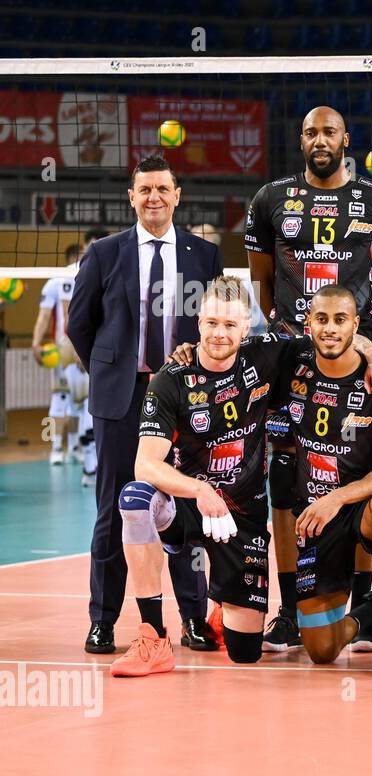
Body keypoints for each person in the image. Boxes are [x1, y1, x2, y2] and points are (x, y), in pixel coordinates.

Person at [113, 278, 372, 675]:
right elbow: (146, 465)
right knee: (135, 499)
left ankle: (225, 606)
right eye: (211, 323)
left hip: (242, 518)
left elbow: (333, 340)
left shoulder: (266, 356)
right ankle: (153, 637)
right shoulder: (170, 379)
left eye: (229, 325)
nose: (219, 334)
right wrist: (200, 490)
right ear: (198, 323)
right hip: (188, 506)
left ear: (246, 329)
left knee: (244, 653)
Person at [244, 105, 372, 654]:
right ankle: (290, 612)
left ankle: (362, 598)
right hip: (292, 357)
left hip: (351, 353)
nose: (319, 139)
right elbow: (262, 282)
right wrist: (290, 334)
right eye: (310, 130)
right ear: (301, 137)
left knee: (357, 468)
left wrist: (361, 338)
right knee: (285, 487)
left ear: (346, 138)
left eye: (329, 131)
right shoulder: (270, 199)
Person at [66, 155, 221, 655]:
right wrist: (111, 371)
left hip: (182, 395)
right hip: (122, 396)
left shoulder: (204, 255)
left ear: (177, 196)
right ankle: (102, 621)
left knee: (185, 506)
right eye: (144, 190)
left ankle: (194, 620)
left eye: (162, 189)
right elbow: (79, 324)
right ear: (131, 198)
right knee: (114, 509)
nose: (154, 197)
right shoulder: (105, 253)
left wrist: (188, 362)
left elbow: (215, 322)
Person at [283, 285, 372, 675]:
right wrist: (186, 351)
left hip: (358, 508)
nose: (329, 328)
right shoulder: (292, 363)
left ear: (356, 326)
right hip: (314, 518)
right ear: (308, 323)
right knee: (321, 651)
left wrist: (339, 497)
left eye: (340, 320)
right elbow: (230, 350)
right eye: (321, 319)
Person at [32, 243, 90, 469]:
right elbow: (46, 316)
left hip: (65, 348)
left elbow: (43, 317)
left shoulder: (54, 280)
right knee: (72, 401)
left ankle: (65, 447)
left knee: (68, 401)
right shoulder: (64, 279)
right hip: (74, 349)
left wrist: (36, 343)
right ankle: (62, 448)